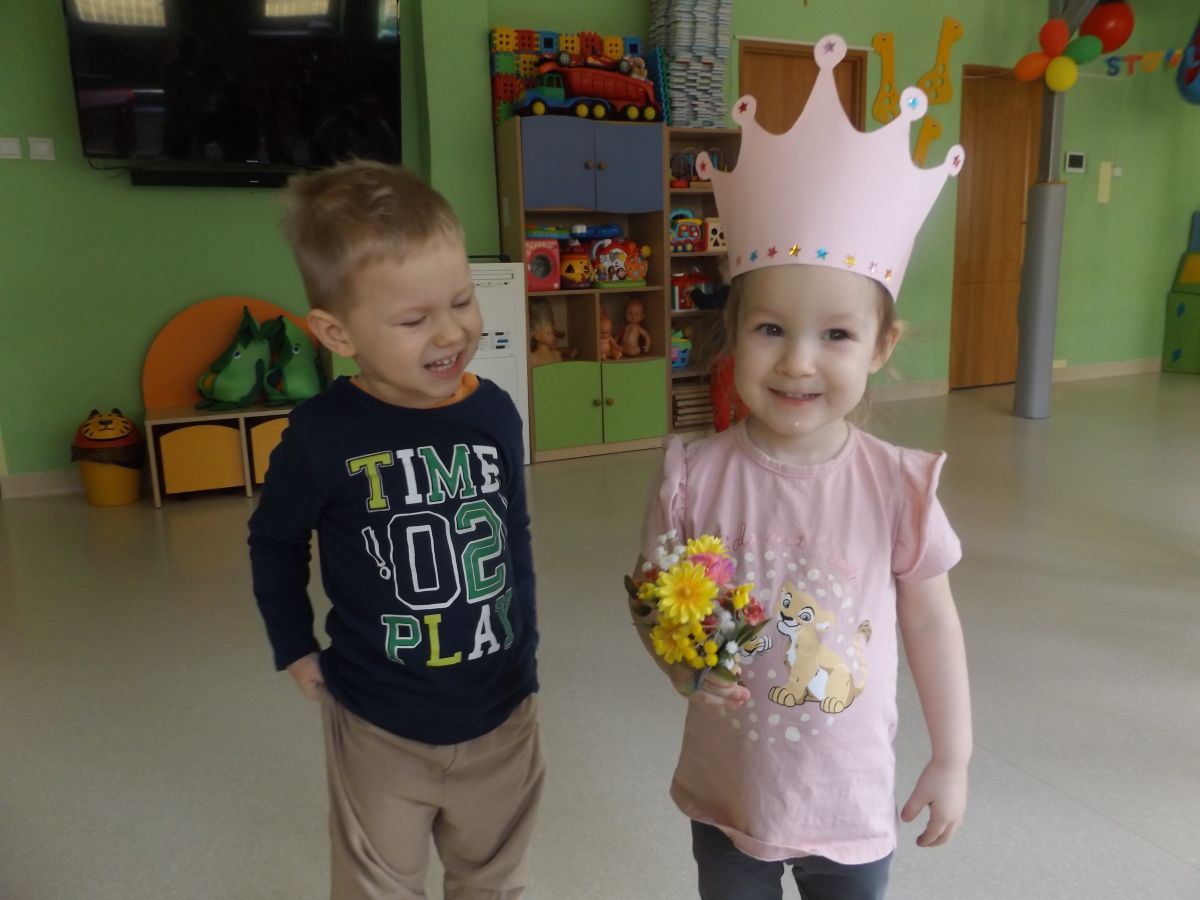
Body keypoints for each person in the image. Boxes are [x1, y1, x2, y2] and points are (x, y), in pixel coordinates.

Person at [630, 35, 971, 900]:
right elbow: (653, 597)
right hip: (730, 792)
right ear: (732, 332)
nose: (797, 363)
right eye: (770, 329)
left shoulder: (897, 486)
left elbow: (932, 623)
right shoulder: (690, 474)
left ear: (882, 347)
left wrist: (953, 755)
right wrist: (679, 669)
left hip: (849, 801)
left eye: (837, 334)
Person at [249, 160, 543, 900]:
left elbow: (514, 534)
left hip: (502, 711)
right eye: (414, 321)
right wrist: (294, 644)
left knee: (493, 879)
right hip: (379, 720)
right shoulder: (321, 437)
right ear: (336, 332)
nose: (451, 331)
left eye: (462, 300)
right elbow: (275, 542)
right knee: (376, 885)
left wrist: (526, 651)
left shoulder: (495, 411)